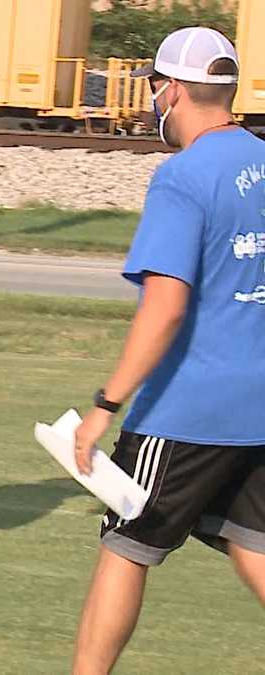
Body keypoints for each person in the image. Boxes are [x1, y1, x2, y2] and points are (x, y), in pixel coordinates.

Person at [71, 27, 265, 674]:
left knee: (126, 545)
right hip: (259, 405)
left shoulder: (181, 176)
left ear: (171, 89)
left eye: (156, 88)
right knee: (254, 544)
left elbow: (166, 305)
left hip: (188, 408)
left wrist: (106, 404)